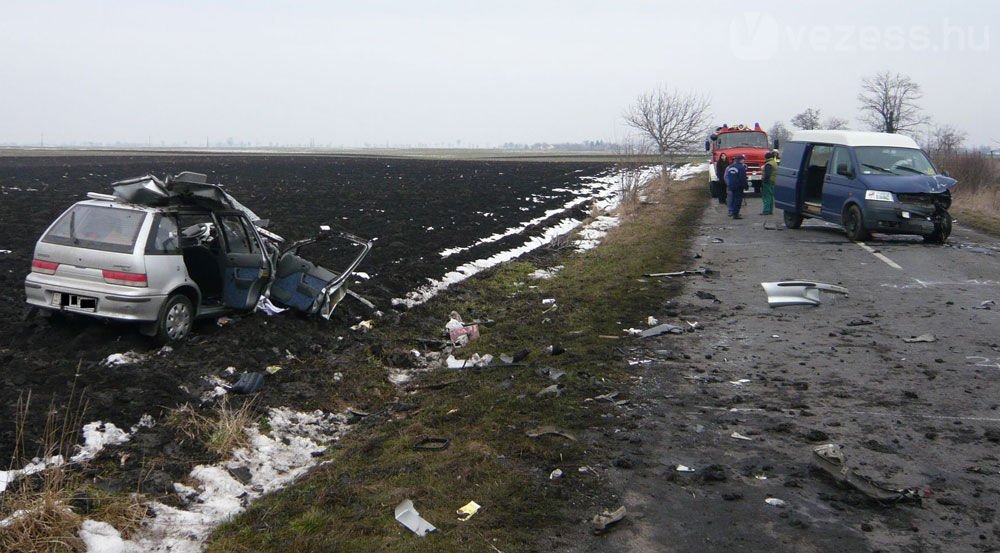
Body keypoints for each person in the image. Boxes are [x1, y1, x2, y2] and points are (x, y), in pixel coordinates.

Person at [724, 154, 748, 219]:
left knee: (732, 199)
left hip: (731, 186)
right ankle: (735, 214)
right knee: (738, 200)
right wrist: (746, 186)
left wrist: (729, 184)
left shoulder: (730, 167)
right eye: (743, 160)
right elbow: (742, 178)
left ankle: (732, 212)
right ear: (741, 160)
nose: (744, 161)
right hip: (738, 186)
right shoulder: (741, 167)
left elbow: (727, 176)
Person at [760, 150, 779, 215]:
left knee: (766, 196)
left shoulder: (768, 164)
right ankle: (770, 210)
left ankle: (766, 211)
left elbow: (767, 174)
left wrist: (765, 181)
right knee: (770, 196)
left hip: (768, 182)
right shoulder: (774, 162)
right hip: (773, 181)